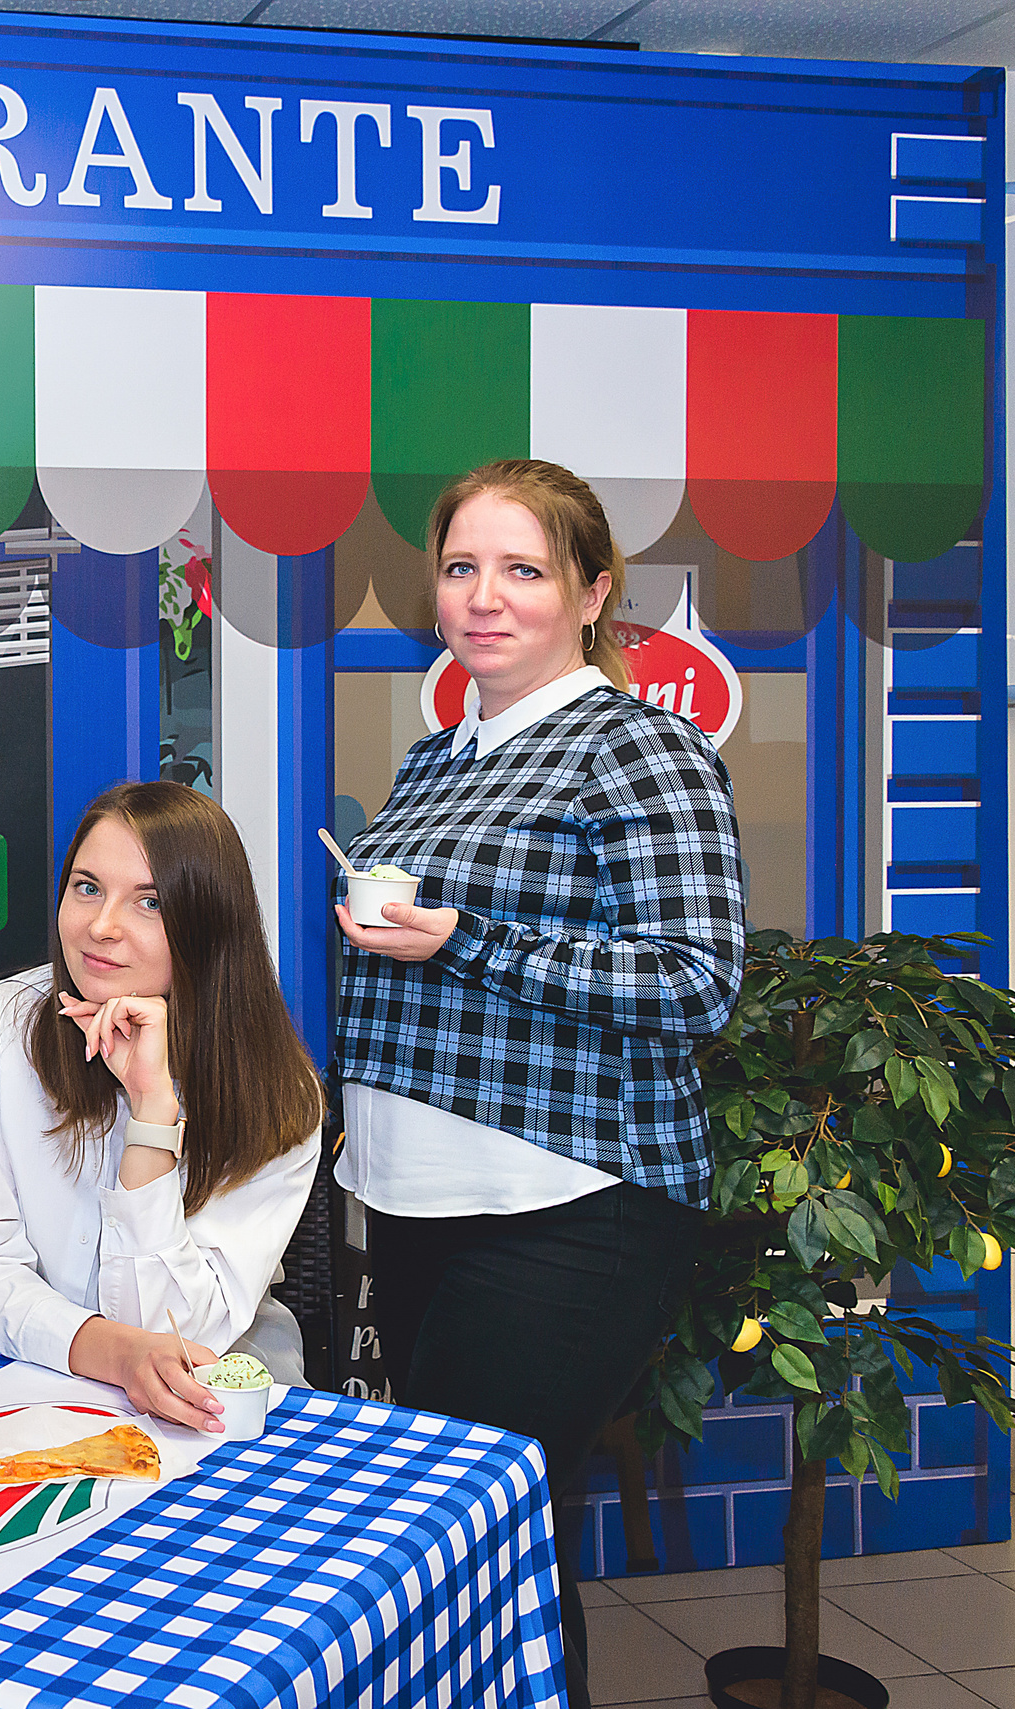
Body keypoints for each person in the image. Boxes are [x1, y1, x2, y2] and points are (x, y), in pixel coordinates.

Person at [332, 458, 744, 1705]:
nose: (484, 595)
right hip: (417, 1204)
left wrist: (468, 937)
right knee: (491, 1550)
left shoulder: (641, 746)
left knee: (475, 1537)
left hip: (566, 1208)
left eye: (523, 568)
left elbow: (694, 980)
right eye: (461, 566)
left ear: (592, 591)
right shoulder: (433, 759)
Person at [0, 781, 325, 1432]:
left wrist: (152, 1111)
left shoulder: (277, 1091)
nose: (102, 926)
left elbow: (182, 1338)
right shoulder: (7, 1023)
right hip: (33, 1376)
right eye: (87, 888)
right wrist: (110, 1352)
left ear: (208, 922)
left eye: (150, 901)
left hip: (218, 1395)